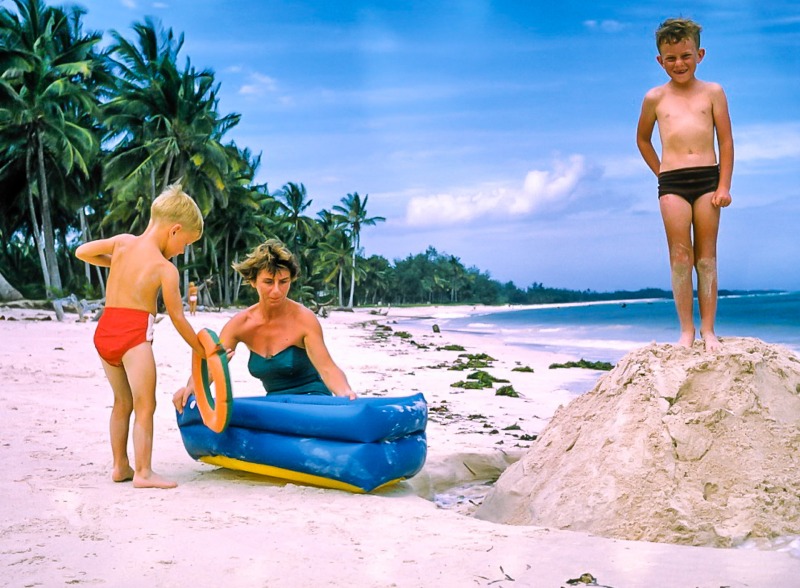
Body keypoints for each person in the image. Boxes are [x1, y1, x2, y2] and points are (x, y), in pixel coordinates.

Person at [76, 183, 205, 489]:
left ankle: (121, 465)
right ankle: (144, 472)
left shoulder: (122, 244)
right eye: (185, 243)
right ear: (174, 231)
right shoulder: (165, 268)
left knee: (122, 402)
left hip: (105, 331)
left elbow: (82, 251)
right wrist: (202, 347)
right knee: (145, 405)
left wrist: (114, 262)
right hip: (134, 335)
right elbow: (177, 318)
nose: (182, 250)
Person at [636, 17, 733, 351]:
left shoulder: (714, 92)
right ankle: (686, 331)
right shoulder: (654, 98)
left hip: (708, 179)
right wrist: (661, 173)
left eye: (686, 56)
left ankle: (708, 330)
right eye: (671, 58)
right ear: (660, 61)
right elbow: (643, 140)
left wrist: (724, 186)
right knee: (680, 258)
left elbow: (727, 141)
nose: (679, 64)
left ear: (700, 54)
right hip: (672, 183)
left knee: (706, 259)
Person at [173, 239, 356, 413]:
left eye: (283, 282)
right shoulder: (240, 324)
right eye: (268, 282)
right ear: (253, 282)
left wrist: (346, 393)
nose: (276, 290)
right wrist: (191, 388)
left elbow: (327, 368)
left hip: (312, 401)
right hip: (274, 405)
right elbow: (213, 367)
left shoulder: (304, 319)